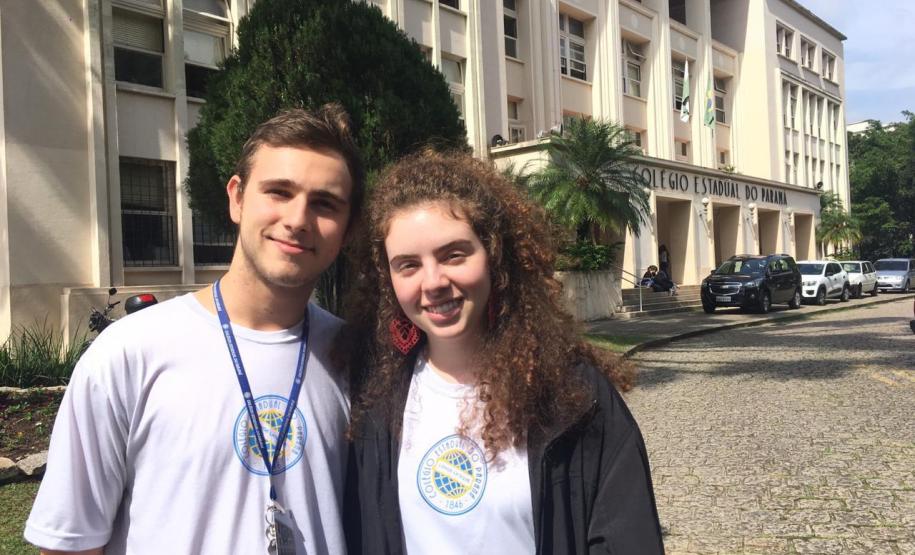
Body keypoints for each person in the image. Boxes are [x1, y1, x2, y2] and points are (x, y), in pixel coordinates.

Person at [24, 104, 364, 554]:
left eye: (324, 203)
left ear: (347, 226)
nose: (298, 219)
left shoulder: (356, 360)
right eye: (279, 192)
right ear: (237, 198)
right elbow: (71, 543)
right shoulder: (130, 352)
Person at [342, 151, 663, 554]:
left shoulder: (575, 395)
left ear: (493, 254)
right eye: (408, 265)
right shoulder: (376, 402)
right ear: (388, 279)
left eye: (453, 254)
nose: (433, 282)